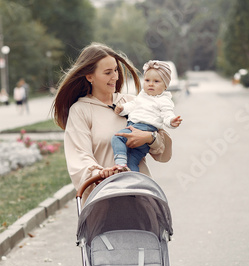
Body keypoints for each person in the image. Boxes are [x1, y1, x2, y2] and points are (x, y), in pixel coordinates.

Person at [52, 43, 172, 201]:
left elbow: (163, 154)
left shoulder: (131, 102)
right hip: (104, 198)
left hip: (141, 196)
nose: (115, 76)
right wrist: (100, 173)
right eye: (108, 72)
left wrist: (150, 138)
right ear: (90, 77)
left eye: (116, 70)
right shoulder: (81, 110)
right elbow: (80, 155)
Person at [111, 60, 182, 172]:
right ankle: (131, 176)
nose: (151, 84)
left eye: (156, 81)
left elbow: (167, 114)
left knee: (117, 138)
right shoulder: (142, 95)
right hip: (142, 139)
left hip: (144, 128)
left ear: (165, 86)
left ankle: (120, 163)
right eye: (147, 80)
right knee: (132, 160)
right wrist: (122, 109)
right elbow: (132, 105)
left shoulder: (163, 100)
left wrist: (171, 121)